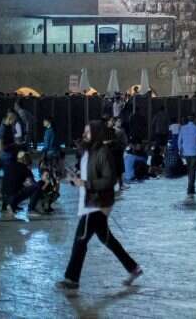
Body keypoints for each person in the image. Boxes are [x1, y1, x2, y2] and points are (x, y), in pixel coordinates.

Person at [56, 121, 142, 291]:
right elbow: (88, 175)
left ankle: (72, 279)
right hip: (90, 201)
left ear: (95, 133)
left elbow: (109, 180)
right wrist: (76, 180)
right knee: (107, 239)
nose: (84, 135)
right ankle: (133, 268)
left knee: (80, 240)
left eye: (87, 132)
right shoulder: (88, 152)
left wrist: (86, 183)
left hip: (96, 203)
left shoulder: (103, 153)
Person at [178, 115, 196, 196]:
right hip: (194, 152)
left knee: (189, 170)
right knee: (193, 170)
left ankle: (191, 187)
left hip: (185, 153)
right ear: (194, 119)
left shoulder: (182, 128)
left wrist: (180, 150)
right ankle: (190, 187)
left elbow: (179, 141)